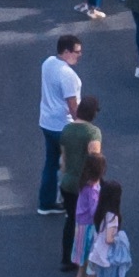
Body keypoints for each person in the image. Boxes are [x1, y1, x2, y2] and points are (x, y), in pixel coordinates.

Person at [37, 33, 90, 211]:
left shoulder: (48, 62)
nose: (80, 55)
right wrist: (83, 127)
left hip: (47, 123)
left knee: (51, 163)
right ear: (66, 52)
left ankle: (46, 202)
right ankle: (72, 202)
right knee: (74, 165)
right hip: (64, 127)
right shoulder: (68, 75)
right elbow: (73, 106)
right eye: (77, 52)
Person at [74, 183, 136, 277]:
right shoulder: (113, 217)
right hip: (108, 257)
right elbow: (109, 238)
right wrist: (118, 238)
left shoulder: (100, 213)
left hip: (97, 255)